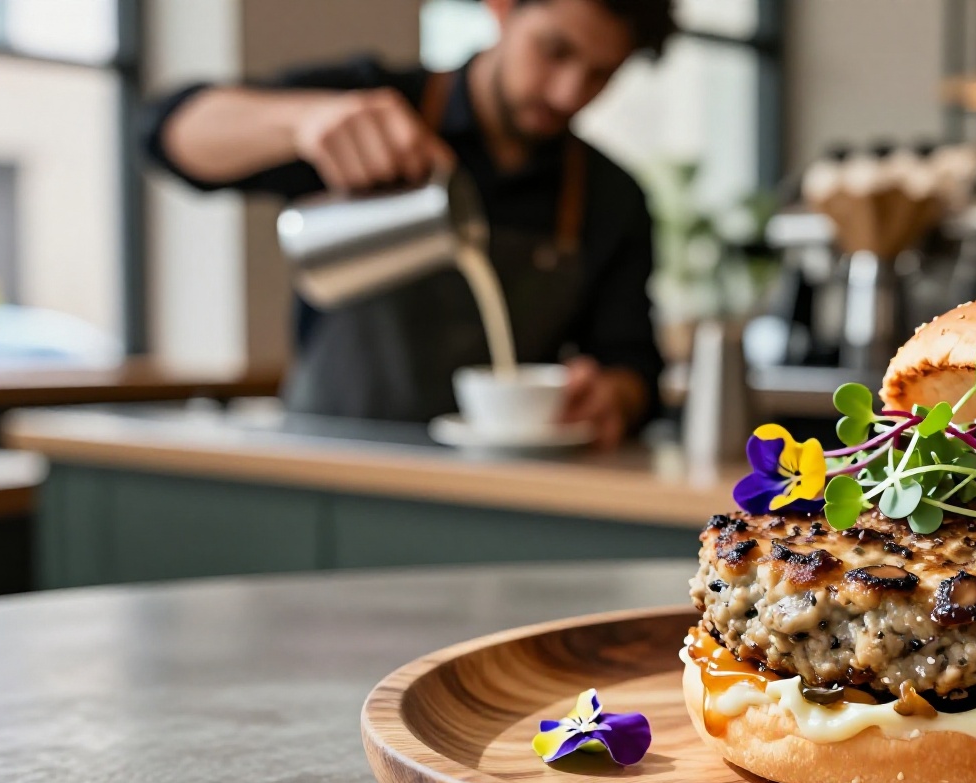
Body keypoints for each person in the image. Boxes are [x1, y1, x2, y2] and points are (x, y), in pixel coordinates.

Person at [143, 0, 674, 448]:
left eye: (600, 73)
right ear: (501, 8)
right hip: (324, 464)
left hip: (497, 492)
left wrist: (610, 396)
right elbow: (165, 133)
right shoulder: (379, 105)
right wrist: (300, 122)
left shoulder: (611, 196)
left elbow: (631, 363)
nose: (567, 92)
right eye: (555, 51)